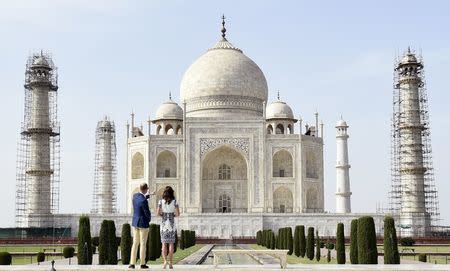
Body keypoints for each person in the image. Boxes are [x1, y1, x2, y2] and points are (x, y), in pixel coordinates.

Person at [129, 183, 155, 269]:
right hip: (143, 223)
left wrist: (149, 195)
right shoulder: (144, 201)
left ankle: (132, 263)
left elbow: (141, 199)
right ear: (145, 189)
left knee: (135, 243)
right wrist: (149, 219)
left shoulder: (135, 196)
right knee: (143, 243)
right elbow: (147, 213)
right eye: (147, 190)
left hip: (135, 222)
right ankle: (142, 263)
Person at [156, 186, 180, 269]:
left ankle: (165, 261)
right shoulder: (174, 202)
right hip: (171, 224)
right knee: (171, 244)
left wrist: (163, 215)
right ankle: (170, 263)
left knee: (163, 244)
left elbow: (158, 213)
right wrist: (172, 215)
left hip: (163, 225)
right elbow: (178, 214)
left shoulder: (160, 202)